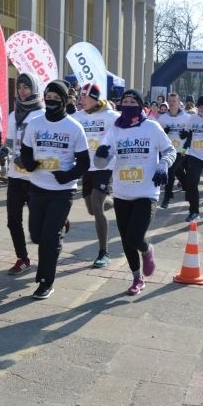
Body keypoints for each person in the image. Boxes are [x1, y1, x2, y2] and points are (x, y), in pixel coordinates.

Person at [95, 89, 176, 295]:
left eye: (132, 101)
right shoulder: (115, 129)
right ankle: (137, 278)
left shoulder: (151, 127)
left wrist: (163, 165)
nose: (128, 104)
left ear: (140, 105)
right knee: (125, 239)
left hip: (147, 191)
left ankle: (147, 249)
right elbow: (101, 160)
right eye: (125, 101)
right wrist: (101, 155)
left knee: (134, 237)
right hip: (122, 192)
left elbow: (170, 151)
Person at [20, 80, 89, 299]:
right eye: (48, 98)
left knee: (49, 240)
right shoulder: (35, 124)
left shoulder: (74, 127)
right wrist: (28, 162)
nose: (51, 102)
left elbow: (85, 162)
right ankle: (60, 227)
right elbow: (26, 151)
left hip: (63, 190)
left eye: (56, 98)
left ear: (64, 100)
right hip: (37, 187)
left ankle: (45, 281)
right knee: (37, 235)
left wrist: (67, 176)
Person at [2, 73, 45, 275]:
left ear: (34, 89)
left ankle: (60, 220)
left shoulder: (42, 115)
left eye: (26, 87)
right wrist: (4, 150)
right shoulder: (13, 115)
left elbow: (45, 147)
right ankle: (23, 258)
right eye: (19, 87)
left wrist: (31, 161)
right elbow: (11, 140)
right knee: (13, 220)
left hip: (35, 177)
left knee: (39, 221)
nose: (22, 90)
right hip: (15, 176)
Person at [74, 83, 119, 268]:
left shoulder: (111, 116)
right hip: (86, 168)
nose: (80, 100)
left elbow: (128, 126)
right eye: (80, 96)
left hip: (104, 167)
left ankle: (103, 252)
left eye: (84, 97)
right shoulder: (77, 117)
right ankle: (115, 201)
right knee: (92, 209)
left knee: (96, 206)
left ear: (94, 98)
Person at [156, 92, 188, 209]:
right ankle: (188, 188)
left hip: (181, 150)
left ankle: (167, 197)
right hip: (168, 149)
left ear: (179, 103)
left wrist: (186, 133)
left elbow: (191, 132)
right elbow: (158, 133)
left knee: (170, 171)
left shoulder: (186, 117)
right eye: (170, 101)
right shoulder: (163, 118)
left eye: (174, 101)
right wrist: (165, 131)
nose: (172, 103)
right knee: (179, 172)